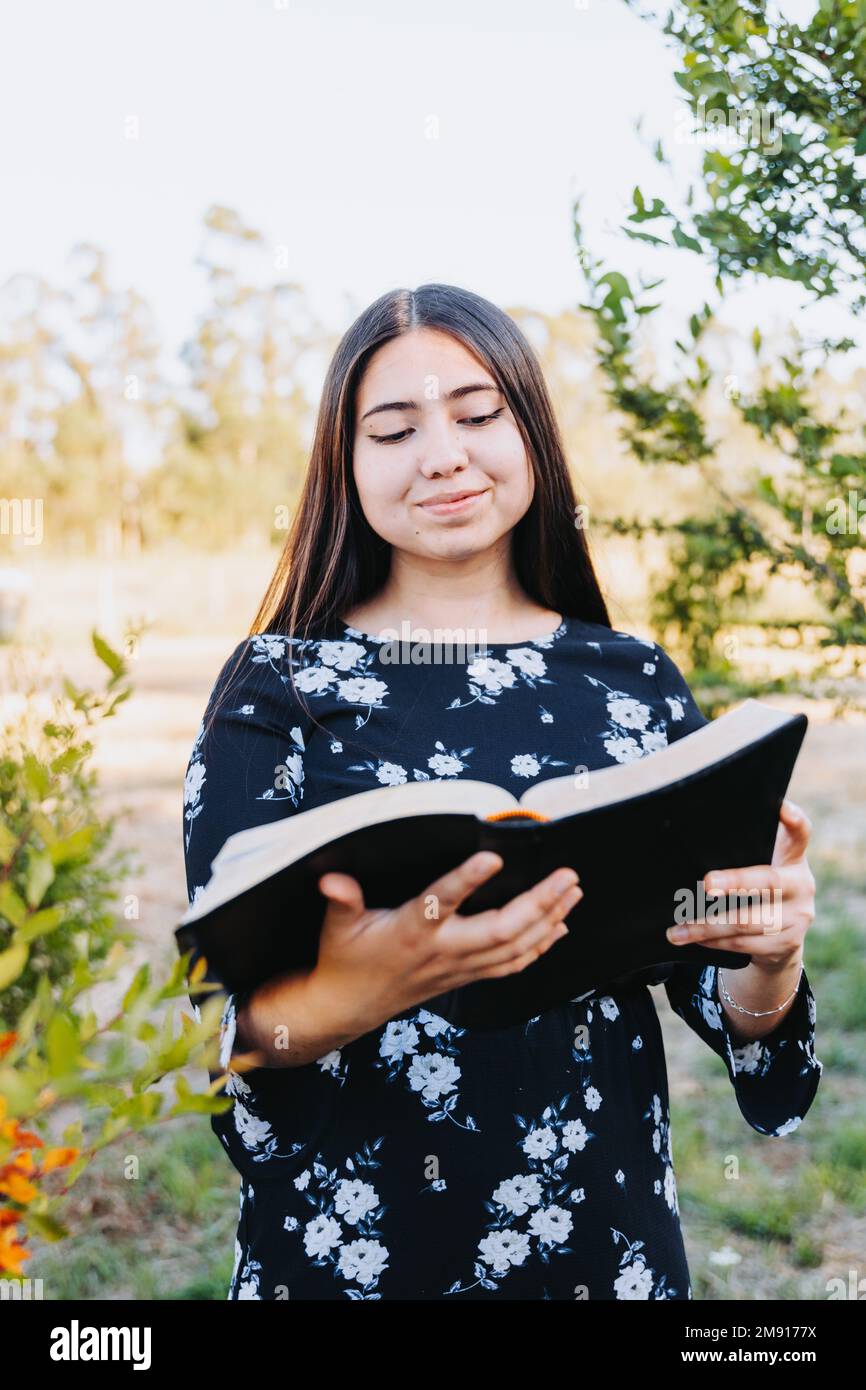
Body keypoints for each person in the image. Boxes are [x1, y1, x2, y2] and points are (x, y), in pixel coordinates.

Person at [181, 283, 821, 1301]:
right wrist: (361, 989)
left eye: (477, 415)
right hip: (351, 1256)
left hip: (599, 1245)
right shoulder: (279, 687)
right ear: (343, 467)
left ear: (530, 432)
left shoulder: (631, 681)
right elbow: (234, 1028)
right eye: (393, 430)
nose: (442, 454)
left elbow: (723, 991)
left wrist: (767, 951)